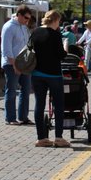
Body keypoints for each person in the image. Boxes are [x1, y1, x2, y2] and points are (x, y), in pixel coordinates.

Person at [31, 10, 70, 148]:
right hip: (53, 75)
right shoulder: (55, 35)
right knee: (59, 105)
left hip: (36, 74)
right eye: (58, 21)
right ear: (55, 20)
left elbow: (30, 50)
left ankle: (41, 138)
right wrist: (65, 47)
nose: (58, 24)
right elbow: (61, 55)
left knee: (39, 105)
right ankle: (58, 137)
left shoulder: (35, 32)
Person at [1, 5, 33, 126]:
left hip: (24, 63)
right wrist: (14, 65)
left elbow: (27, 45)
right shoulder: (9, 27)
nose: (27, 20)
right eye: (25, 18)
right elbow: (6, 49)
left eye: (28, 18)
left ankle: (23, 117)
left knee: (26, 90)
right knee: (12, 90)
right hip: (11, 64)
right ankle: (10, 118)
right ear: (18, 15)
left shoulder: (24, 27)